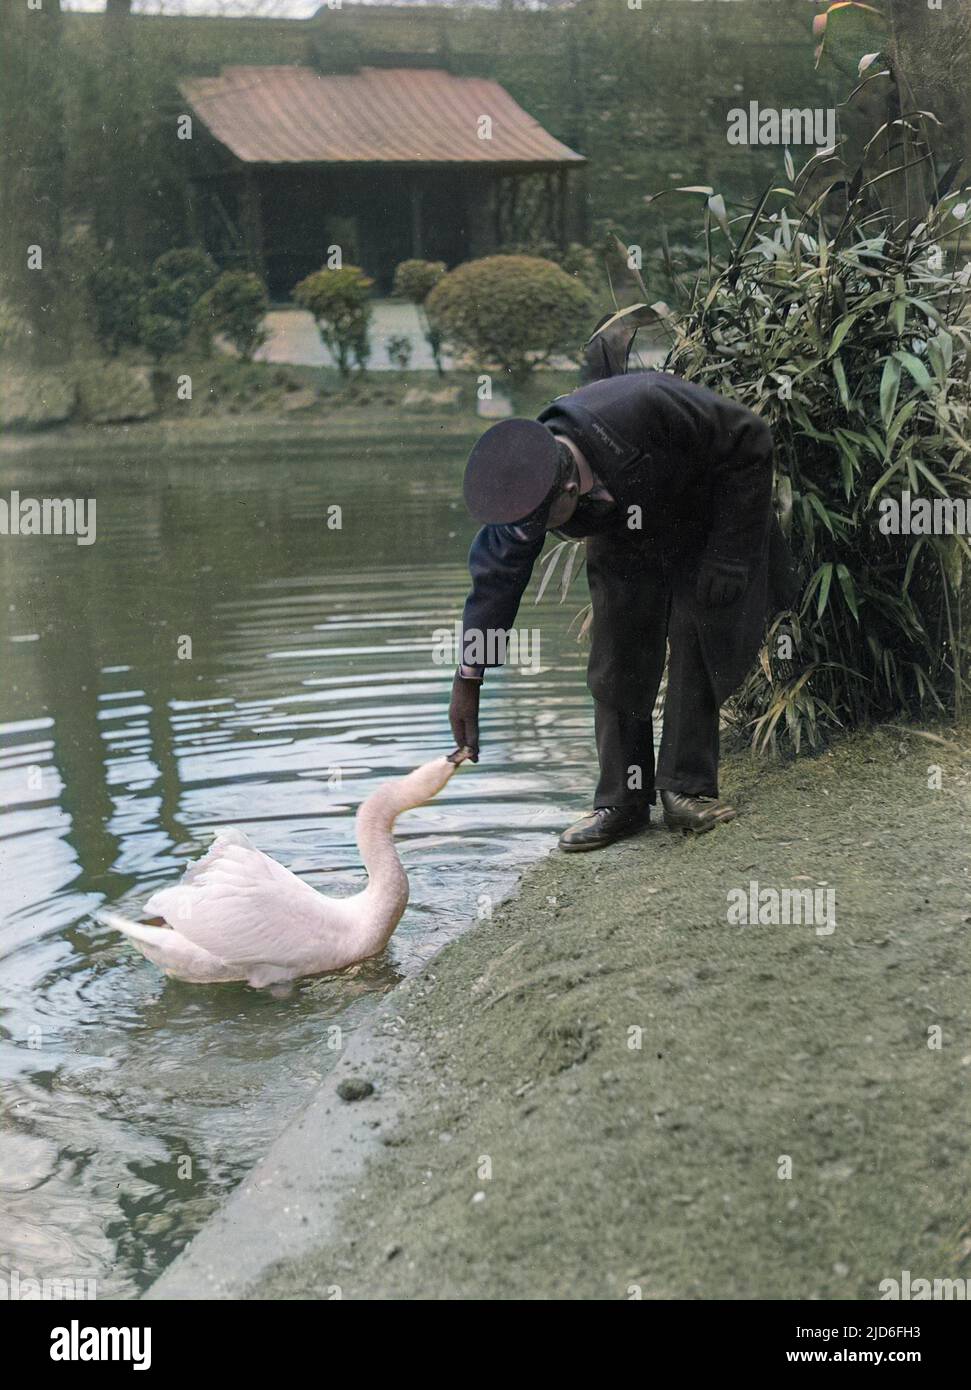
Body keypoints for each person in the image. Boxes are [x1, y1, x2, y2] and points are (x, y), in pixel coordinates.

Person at [448, 361, 798, 851]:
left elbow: (752, 439)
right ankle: (624, 801)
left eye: (545, 526)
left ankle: (686, 788)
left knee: (696, 636)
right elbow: (495, 581)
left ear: (569, 488)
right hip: (621, 528)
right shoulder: (526, 483)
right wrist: (469, 677)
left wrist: (728, 555)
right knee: (616, 653)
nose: (535, 538)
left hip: (707, 516)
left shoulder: (649, 404)